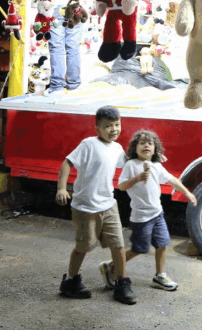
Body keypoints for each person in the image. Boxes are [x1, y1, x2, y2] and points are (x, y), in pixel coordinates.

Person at [55, 105, 136, 305]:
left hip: (108, 205)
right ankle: (70, 281)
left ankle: (121, 283)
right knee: (84, 246)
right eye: (108, 126)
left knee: (118, 245)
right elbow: (67, 163)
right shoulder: (88, 144)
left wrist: (151, 159)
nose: (114, 129)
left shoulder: (117, 148)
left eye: (117, 125)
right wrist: (61, 188)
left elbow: (129, 164)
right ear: (97, 128)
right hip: (85, 207)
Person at [98, 129, 197, 292]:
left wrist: (187, 192)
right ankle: (110, 266)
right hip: (141, 217)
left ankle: (160, 276)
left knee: (162, 244)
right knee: (139, 248)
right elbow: (121, 186)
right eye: (142, 143)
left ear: (155, 149)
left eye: (150, 143)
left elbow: (171, 179)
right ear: (134, 148)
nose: (146, 146)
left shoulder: (156, 166)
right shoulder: (131, 165)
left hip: (157, 214)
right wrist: (137, 178)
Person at [45, 0, 83, 96]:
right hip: (76, 7)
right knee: (73, 48)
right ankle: (74, 85)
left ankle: (57, 87)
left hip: (56, 7)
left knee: (57, 48)